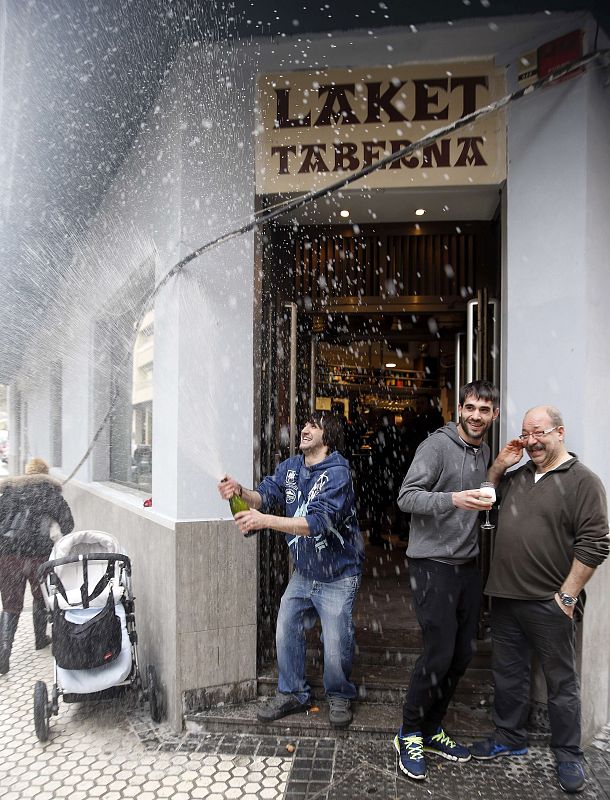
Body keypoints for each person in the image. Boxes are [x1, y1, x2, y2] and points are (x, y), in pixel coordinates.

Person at [469, 405, 609, 794]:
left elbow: (596, 543)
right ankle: (509, 736)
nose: (531, 441)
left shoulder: (584, 481)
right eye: (526, 434)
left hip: (551, 602)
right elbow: (486, 499)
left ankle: (567, 753)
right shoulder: (518, 477)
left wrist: (568, 595)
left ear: (559, 433)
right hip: (505, 597)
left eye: (539, 433)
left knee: (560, 682)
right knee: (508, 674)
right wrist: (499, 465)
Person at [218, 410, 364, 728]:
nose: (305, 429)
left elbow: (316, 523)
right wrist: (241, 492)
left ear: (329, 437)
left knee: (336, 640)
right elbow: (264, 496)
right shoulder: (291, 468)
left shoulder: (338, 473)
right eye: (305, 424)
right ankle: (293, 693)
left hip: (339, 574)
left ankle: (339, 694)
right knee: (286, 625)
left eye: (314, 426)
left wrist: (264, 521)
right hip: (305, 571)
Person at [393, 380, 500, 780]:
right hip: (431, 564)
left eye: (484, 410)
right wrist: (452, 499)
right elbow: (406, 497)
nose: (476, 416)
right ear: (459, 409)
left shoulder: (483, 449)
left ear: (494, 415)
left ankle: (432, 726)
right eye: (470, 408)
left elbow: (482, 486)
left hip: (467, 565)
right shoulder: (436, 446)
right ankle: (408, 732)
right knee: (438, 653)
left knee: (464, 653)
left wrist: (496, 472)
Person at [0, 457, 74, 674]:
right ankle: (40, 638)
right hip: (39, 556)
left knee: (11, 605)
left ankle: (4, 652)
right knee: (41, 596)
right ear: (45, 474)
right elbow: (68, 524)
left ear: (27, 473)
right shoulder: (51, 494)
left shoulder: (9, 494)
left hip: (9, 556)